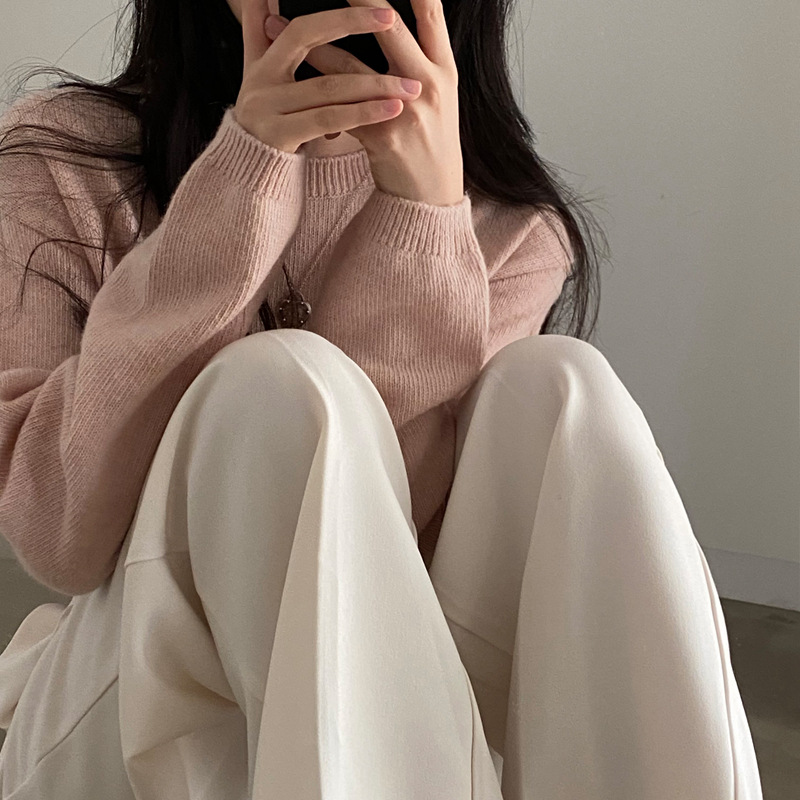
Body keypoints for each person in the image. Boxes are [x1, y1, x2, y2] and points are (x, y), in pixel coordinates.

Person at [0, 0, 763, 797]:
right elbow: (61, 539)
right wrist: (239, 183)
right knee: (275, 383)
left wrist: (422, 218)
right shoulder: (66, 156)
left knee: (567, 390)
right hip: (127, 710)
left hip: (392, 725)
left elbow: (384, 561)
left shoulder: (511, 227)